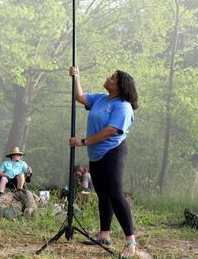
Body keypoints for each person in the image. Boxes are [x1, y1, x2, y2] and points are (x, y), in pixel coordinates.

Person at [69, 66, 139, 258]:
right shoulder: (101, 98)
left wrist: (83, 142)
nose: (108, 78)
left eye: (112, 78)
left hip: (112, 153)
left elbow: (110, 130)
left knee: (116, 194)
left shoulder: (122, 106)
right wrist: (77, 77)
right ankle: (104, 234)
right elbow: (81, 97)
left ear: (119, 86)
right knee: (103, 195)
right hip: (96, 154)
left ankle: (131, 242)